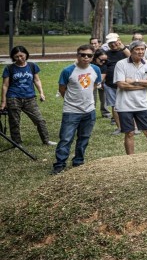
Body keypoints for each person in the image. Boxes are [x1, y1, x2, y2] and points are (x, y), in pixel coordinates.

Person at [52, 45, 103, 174]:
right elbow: (62, 89)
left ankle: (78, 161)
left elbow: (95, 85)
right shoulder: (68, 71)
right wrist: (72, 101)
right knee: (66, 138)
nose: (86, 57)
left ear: (92, 57)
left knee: (84, 137)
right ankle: (60, 164)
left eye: (89, 55)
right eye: (82, 54)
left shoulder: (96, 69)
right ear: (77, 55)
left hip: (89, 111)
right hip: (71, 111)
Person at [114, 40, 147, 155]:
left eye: (142, 49)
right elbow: (122, 85)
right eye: (137, 49)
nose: (140, 52)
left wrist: (135, 81)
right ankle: (131, 159)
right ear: (131, 51)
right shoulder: (121, 64)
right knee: (129, 133)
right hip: (125, 105)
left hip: (142, 105)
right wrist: (144, 85)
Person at [1, 45, 52, 145]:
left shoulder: (32, 66)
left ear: (26, 55)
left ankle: (46, 141)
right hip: (13, 97)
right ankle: (17, 143)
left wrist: (41, 93)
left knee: (40, 120)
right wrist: (3, 101)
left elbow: (36, 80)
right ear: (13, 57)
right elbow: (5, 85)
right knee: (14, 122)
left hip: (30, 98)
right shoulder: (9, 68)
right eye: (16, 57)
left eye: (21, 56)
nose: (20, 58)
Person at [103, 34, 127, 132]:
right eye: (110, 43)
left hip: (124, 84)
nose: (113, 44)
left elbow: (133, 57)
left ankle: (132, 127)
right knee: (114, 106)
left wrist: (123, 47)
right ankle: (120, 127)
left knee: (128, 105)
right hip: (109, 84)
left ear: (119, 41)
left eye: (114, 42)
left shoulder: (125, 51)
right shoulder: (106, 53)